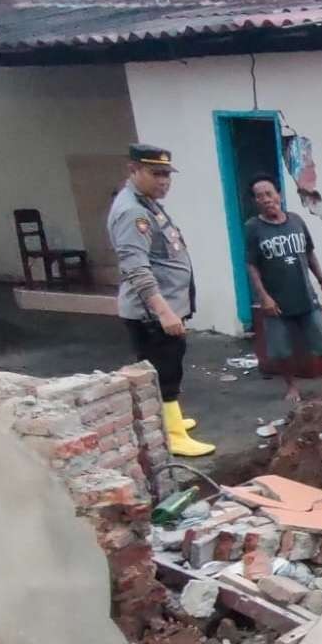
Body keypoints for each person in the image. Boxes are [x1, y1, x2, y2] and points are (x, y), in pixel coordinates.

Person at [109, 143, 215, 457]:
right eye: (156, 174)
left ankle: (172, 419)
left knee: (171, 363)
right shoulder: (132, 212)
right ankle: (171, 435)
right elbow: (136, 269)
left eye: (167, 174)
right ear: (133, 170)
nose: (163, 181)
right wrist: (164, 312)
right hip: (151, 314)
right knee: (163, 370)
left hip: (166, 307)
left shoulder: (147, 203)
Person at [243, 175, 322, 403]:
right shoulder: (253, 228)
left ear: (278, 195)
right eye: (259, 197)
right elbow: (251, 264)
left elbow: (309, 253)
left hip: (305, 296)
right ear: (256, 202)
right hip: (276, 302)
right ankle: (292, 387)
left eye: (269, 194)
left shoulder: (296, 221)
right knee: (281, 349)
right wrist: (264, 297)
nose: (266, 199)